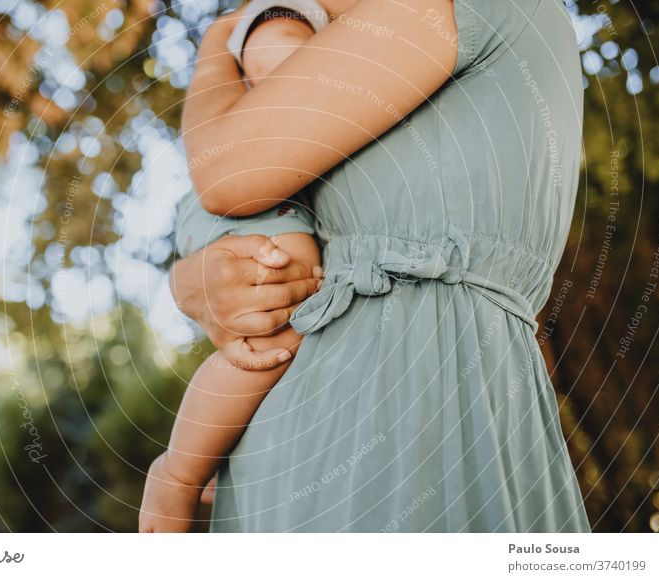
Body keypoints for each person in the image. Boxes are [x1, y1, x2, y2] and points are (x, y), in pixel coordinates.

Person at [167, 0, 591, 532]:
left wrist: (219, 38)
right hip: (291, 437)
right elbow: (260, 228)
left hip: (411, 401)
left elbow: (224, 168)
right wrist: (192, 282)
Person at [139, 0, 330, 533]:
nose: (283, 90)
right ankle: (179, 471)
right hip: (256, 210)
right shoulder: (277, 42)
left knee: (274, 338)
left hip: (221, 212)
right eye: (267, 77)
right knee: (276, 333)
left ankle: (225, 444)